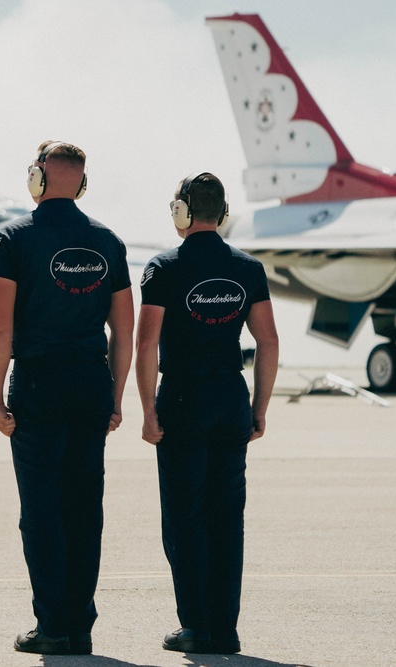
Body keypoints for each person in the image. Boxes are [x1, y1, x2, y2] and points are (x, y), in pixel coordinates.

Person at [0, 141, 134, 655]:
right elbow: (124, 331)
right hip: (90, 385)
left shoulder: (9, 240)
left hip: (38, 386)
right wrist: (115, 397)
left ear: (37, 179)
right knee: (83, 507)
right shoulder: (109, 242)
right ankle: (80, 626)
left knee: (41, 510)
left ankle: (53, 626)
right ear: (82, 182)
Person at [135, 172, 279, 654]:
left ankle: (196, 626)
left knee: (184, 517)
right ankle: (226, 627)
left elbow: (146, 342)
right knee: (226, 517)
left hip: (182, 401)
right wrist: (258, 407)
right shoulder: (248, 268)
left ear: (181, 211)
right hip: (229, 399)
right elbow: (268, 341)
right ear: (221, 212)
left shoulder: (163, 267)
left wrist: (146, 410)